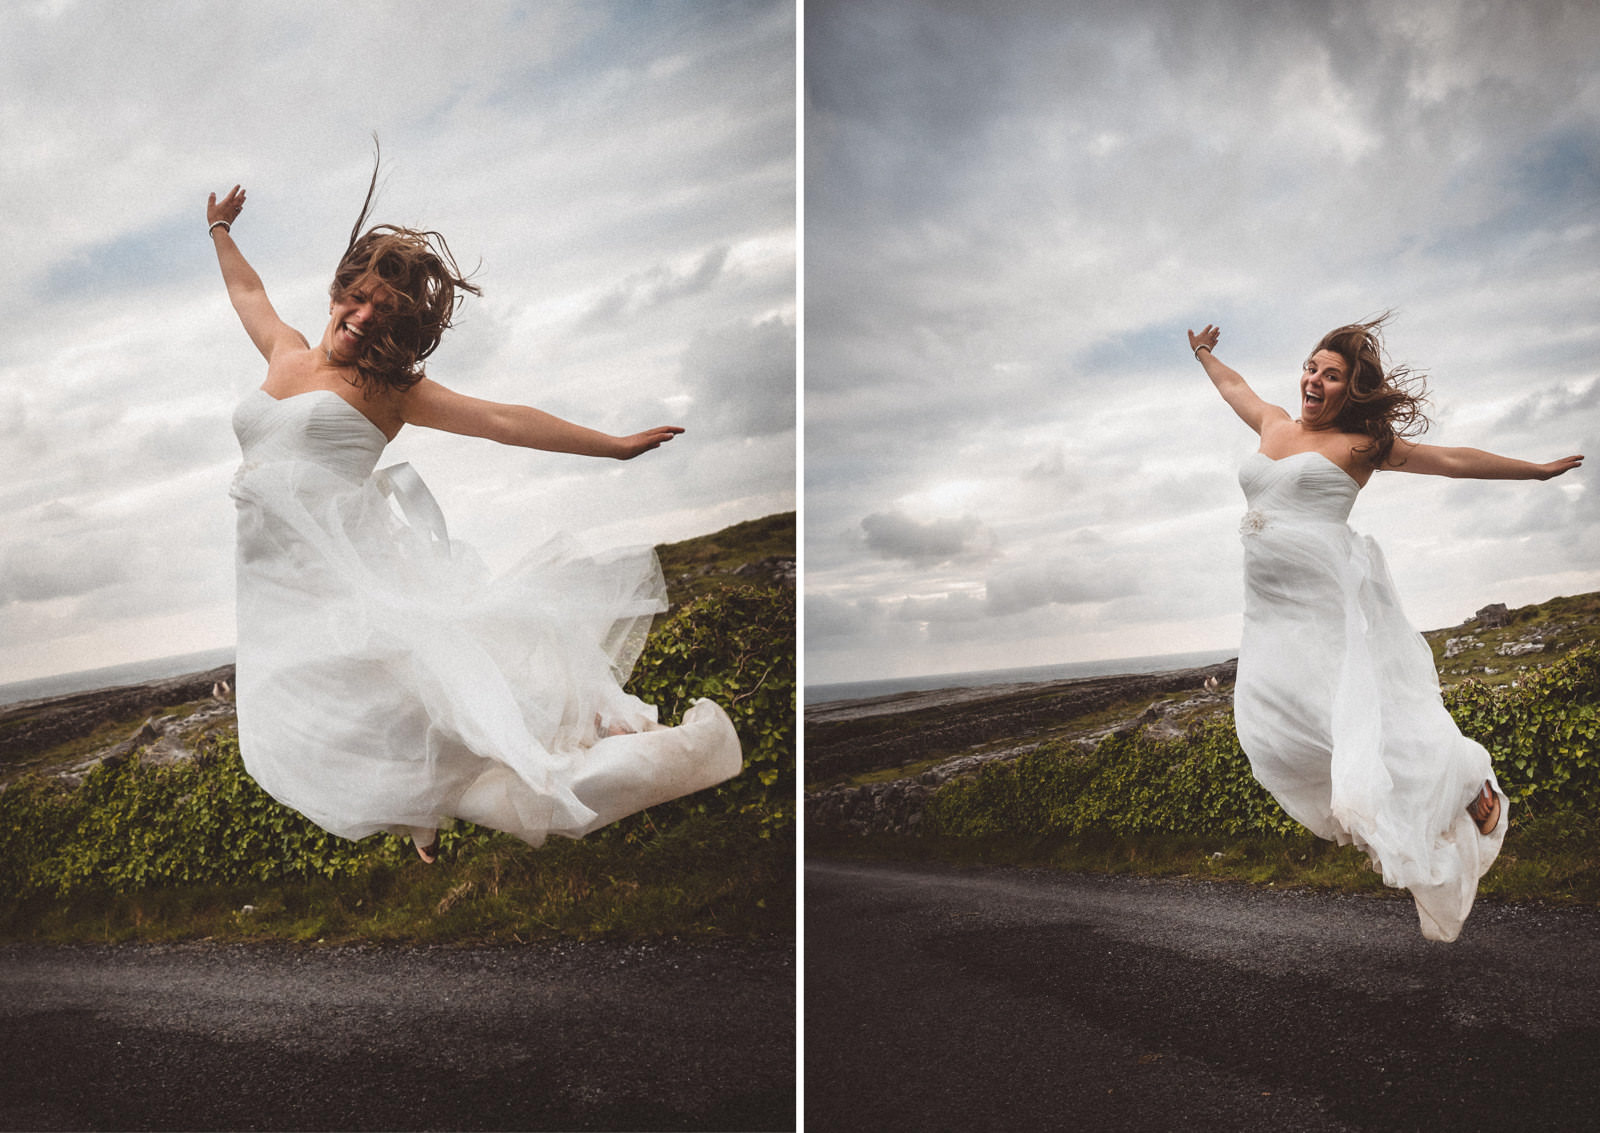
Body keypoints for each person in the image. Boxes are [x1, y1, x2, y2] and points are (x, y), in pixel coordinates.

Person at [207, 168, 743, 864]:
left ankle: (467, 785)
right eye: (360, 298)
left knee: (422, 671)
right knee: (308, 712)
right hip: (271, 579)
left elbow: (500, 421)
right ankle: (420, 808)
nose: (364, 318)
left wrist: (609, 447)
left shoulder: (389, 389)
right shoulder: (283, 349)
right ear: (340, 292)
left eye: (384, 315)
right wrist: (219, 229)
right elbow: (248, 291)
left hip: (343, 567)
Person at [1188, 316, 1582, 941]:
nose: (1314, 380)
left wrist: (1533, 472)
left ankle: (1469, 791)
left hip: (1323, 605)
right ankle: (1368, 812)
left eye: (1331, 374)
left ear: (1352, 389)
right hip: (1267, 611)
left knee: (1372, 715)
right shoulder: (1274, 424)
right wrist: (1206, 354)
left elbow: (1450, 460)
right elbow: (1236, 387)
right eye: (1311, 368)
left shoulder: (1361, 445)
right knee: (1272, 724)